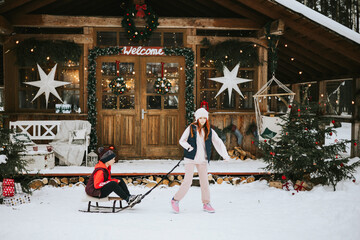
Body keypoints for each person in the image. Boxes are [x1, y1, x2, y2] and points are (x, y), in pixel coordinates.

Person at [171, 108, 231, 213]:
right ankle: (175, 200)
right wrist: (189, 148)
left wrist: (225, 155)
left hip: (202, 159)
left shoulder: (209, 131)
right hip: (190, 158)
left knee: (204, 182)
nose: (202, 120)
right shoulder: (191, 128)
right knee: (188, 181)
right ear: (197, 118)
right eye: (200, 118)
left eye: (204, 118)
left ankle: (206, 203)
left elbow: (218, 142)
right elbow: (182, 140)